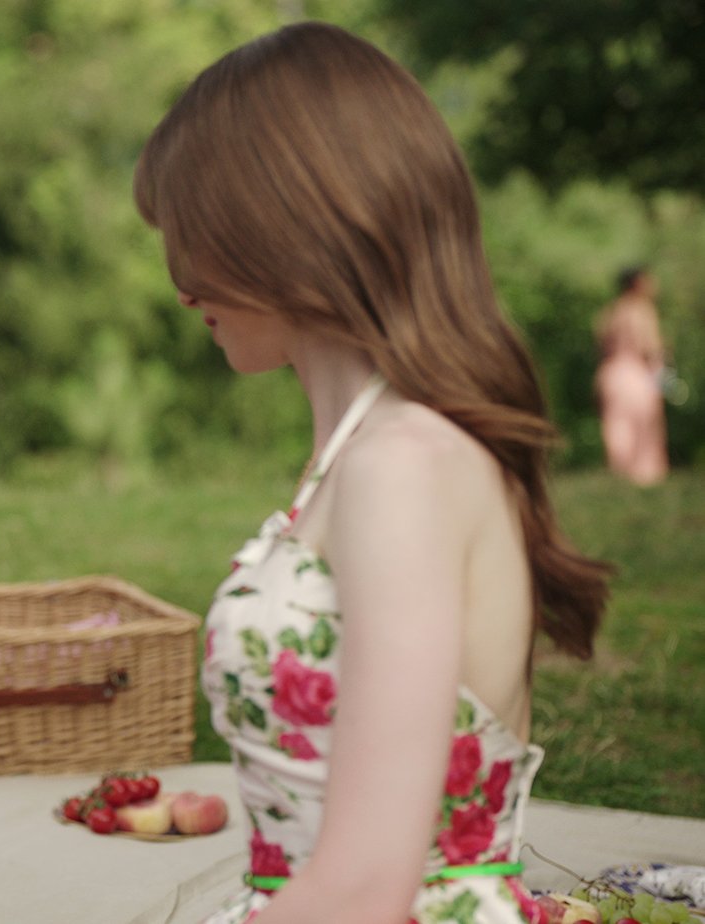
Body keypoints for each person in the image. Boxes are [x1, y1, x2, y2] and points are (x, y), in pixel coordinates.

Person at [132, 22, 611, 924]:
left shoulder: (402, 466)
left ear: (275, 229)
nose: (180, 282)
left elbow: (366, 889)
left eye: (192, 236)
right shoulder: (368, 454)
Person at [595, 266, 669, 485]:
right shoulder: (642, 311)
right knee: (643, 427)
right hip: (637, 375)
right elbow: (650, 348)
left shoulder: (611, 312)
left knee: (617, 426)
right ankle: (644, 479)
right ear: (638, 283)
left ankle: (619, 476)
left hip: (612, 374)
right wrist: (663, 378)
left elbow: (600, 347)